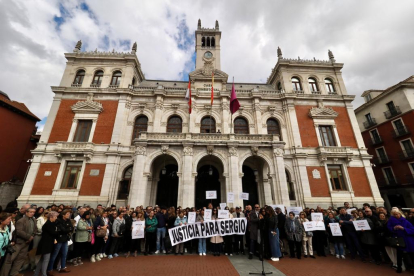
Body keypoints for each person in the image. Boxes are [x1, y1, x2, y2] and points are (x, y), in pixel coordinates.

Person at [1, 207, 37, 276]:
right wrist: (29, 237)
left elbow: (35, 230)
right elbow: (19, 231)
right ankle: (4, 274)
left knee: (20, 259)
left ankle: (14, 273)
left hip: (26, 243)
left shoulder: (34, 220)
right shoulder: (21, 220)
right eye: (31, 212)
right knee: (10, 259)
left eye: (33, 212)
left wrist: (32, 236)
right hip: (18, 242)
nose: (32, 213)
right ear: (26, 212)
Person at [387, 208, 414, 273]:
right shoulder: (391, 221)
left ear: (400, 213)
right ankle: (399, 267)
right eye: (395, 214)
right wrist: (394, 228)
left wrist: (403, 228)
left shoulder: (405, 220)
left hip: (408, 239)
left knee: (412, 254)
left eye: (397, 214)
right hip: (399, 239)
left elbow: (412, 229)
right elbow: (389, 228)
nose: (397, 215)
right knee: (399, 254)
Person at [47, 209, 73, 274]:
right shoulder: (58, 220)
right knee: (55, 254)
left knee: (64, 254)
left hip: (65, 239)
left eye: (69, 214)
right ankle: (50, 269)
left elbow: (71, 228)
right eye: (67, 214)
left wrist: (67, 229)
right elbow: (62, 230)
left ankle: (63, 267)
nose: (68, 215)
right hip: (59, 239)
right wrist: (68, 229)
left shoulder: (68, 220)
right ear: (63, 215)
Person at [34, 211, 58, 276]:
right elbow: (54, 233)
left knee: (42, 259)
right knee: (46, 260)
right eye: (55, 217)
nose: (56, 218)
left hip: (47, 243)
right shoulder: (48, 224)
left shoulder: (51, 224)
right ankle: (44, 274)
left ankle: (36, 273)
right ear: (51, 217)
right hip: (46, 244)